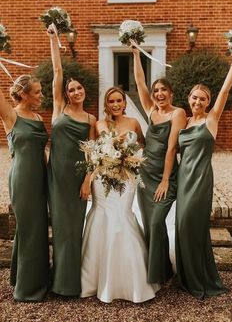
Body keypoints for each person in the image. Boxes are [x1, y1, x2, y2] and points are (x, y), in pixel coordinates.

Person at [80, 87, 159, 303]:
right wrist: (88, 180)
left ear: (124, 102)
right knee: (102, 216)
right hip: (103, 179)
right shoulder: (99, 124)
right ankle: (95, 279)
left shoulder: (134, 122)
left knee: (123, 217)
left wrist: (130, 158)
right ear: (106, 104)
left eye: (119, 101)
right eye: (111, 101)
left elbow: (143, 145)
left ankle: (132, 278)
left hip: (127, 179)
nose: (115, 105)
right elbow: (91, 154)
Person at [175, 54, 232, 299]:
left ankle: (201, 279)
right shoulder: (185, 121)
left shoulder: (211, 120)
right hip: (182, 180)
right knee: (181, 227)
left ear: (208, 102)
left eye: (203, 98)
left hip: (200, 181)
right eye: (195, 97)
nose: (198, 101)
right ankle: (187, 278)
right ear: (188, 99)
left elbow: (223, 93)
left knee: (192, 225)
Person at [47, 25, 96, 296]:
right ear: (66, 94)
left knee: (74, 228)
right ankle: (58, 280)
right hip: (56, 176)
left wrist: (88, 180)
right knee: (60, 228)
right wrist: (55, 40)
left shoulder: (90, 119)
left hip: (77, 178)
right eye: (72, 89)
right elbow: (57, 73)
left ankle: (70, 283)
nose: (76, 92)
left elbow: (91, 152)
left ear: (84, 92)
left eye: (79, 89)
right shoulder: (59, 108)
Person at [131, 44, 186, 285]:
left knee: (156, 221)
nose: (159, 93)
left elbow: (172, 148)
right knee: (149, 225)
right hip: (145, 174)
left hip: (164, 176)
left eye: (164, 90)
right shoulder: (152, 111)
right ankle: (159, 270)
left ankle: (161, 270)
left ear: (171, 93)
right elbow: (140, 82)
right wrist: (135, 54)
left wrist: (166, 179)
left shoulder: (178, 114)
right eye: (157, 91)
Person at [0, 74, 49, 302]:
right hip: (23, 179)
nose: (41, 96)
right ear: (23, 94)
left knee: (37, 229)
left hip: (42, 177)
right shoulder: (11, 115)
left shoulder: (38, 116)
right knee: (29, 228)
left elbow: (43, 151)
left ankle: (27, 277)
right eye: (37, 92)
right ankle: (27, 289)